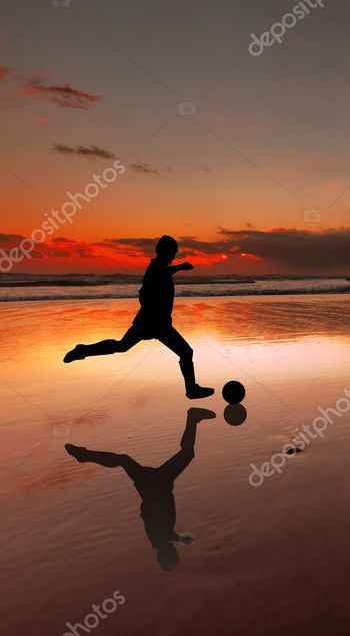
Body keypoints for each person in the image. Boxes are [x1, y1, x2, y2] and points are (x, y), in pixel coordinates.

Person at [63, 235, 214, 399]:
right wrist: (178, 269)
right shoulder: (156, 269)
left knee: (122, 346)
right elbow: (149, 289)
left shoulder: (157, 267)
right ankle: (191, 389)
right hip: (155, 323)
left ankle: (83, 350)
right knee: (186, 352)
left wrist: (179, 267)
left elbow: (164, 272)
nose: (174, 256)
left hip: (151, 322)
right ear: (165, 252)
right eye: (173, 253)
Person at [64, 407, 216, 571]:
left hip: (156, 485)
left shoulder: (159, 539)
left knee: (128, 459)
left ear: (168, 553)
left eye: (174, 553)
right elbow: (154, 522)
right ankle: (193, 418)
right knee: (181, 454)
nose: (174, 549)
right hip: (158, 483)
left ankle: (193, 417)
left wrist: (182, 539)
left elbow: (149, 518)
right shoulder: (160, 540)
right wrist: (182, 539)